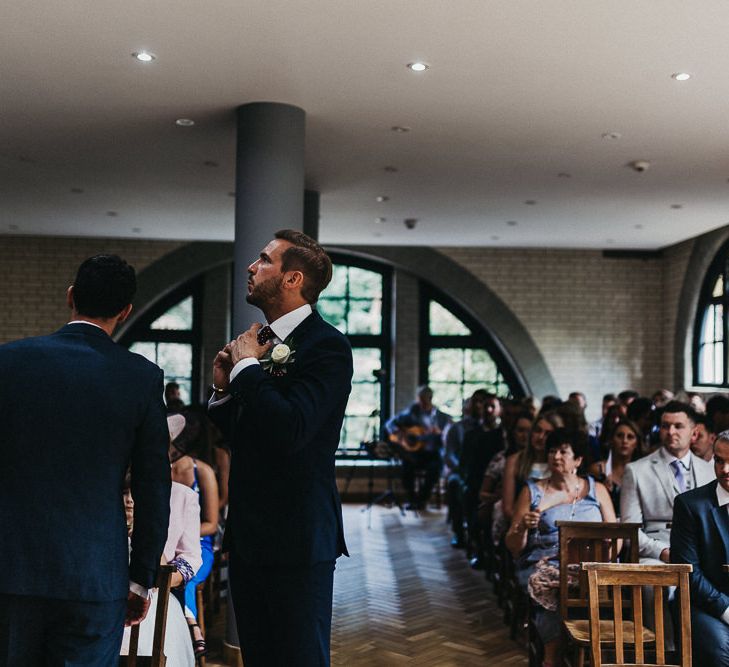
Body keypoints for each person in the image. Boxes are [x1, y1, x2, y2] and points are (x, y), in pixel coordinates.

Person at [0, 254, 171, 665]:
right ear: (125, 311)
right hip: (94, 573)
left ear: (70, 297)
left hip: (10, 566)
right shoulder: (140, 377)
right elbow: (153, 486)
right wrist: (141, 578)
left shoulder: (8, 362)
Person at [208, 229, 353, 667]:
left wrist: (248, 368)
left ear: (292, 279)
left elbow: (292, 429)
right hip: (251, 534)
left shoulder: (327, 346)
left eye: (264, 260)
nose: (251, 267)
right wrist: (223, 391)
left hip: (297, 538)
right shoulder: (262, 342)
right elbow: (247, 438)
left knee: (300, 658)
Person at [506, 429, 616, 667]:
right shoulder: (532, 491)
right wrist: (523, 527)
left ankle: (596, 652)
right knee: (554, 587)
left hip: (590, 564)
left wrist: (607, 552)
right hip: (546, 562)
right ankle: (551, 655)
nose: (556, 456)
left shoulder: (597, 490)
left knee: (601, 587)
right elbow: (513, 546)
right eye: (552, 451)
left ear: (578, 460)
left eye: (563, 451)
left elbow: (617, 536)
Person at [121, 415, 202, 666]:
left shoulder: (183, 497)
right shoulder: (110, 491)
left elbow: (190, 557)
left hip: (156, 595)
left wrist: (162, 579)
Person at [621, 401, 714, 564]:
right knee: (660, 584)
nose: (671, 432)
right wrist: (663, 552)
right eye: (665, 426)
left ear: (694, 433)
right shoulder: (636, 471)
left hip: (702, 551)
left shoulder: (710, 471)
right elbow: (629, 531)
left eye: (678, 426)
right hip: (656, 554)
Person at [671, 431, 729, 666]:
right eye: (720, 460)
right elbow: (689, 573)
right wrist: (727, 609)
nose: (725, 469)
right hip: (703, 603)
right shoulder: (690, 505)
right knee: (721, 653)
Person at [169, 410, 220, 658]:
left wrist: (183, 532)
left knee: (182, 574)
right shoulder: (155, 470)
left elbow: (212, 523)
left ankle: (191, 628)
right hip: (165, 542)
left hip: (199, 544)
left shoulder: (204, 473)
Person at [386, 385, 452, 510]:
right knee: (406, 469)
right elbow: (390, 424)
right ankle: (412, 500)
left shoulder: (441, 417)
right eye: (419, 399)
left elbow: (448, 437)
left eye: (423, 399)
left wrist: (441, 434)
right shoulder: (411, 413)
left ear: (430, 398)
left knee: (435, 469)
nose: (420, 402)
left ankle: (421, 500)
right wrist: (399, 434)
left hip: (433, 454)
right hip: (414, 454)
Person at [444, 390, 488, 547]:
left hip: (484, 473)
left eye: (484, 402)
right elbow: (449, 455)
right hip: (460, 472)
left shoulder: (492, 430)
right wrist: (463, 470)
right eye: (477, 401)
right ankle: (459, 532)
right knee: (455, 484)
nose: (480, 406)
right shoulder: (458, 428)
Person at [501, 411, 564, 522]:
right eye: (538, 431)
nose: (540, 437)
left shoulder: (560, 462)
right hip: (520, 522)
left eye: (547, 433)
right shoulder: (515, 460)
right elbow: (508, 508)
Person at [588, 418, 642, 516]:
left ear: (636, 444)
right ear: (611, 440)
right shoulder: (598, 469)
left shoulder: (642, 471)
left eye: (630, 437)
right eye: (620, 436)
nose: (624, 441)